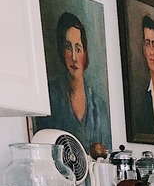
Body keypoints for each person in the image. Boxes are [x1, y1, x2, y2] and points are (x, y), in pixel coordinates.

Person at [37, 11, 111, 153]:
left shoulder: (99, 107)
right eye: (68, 48)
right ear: (61, 51)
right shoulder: (49, 97)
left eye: (78, 48)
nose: (74, 57)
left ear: (85, 53)